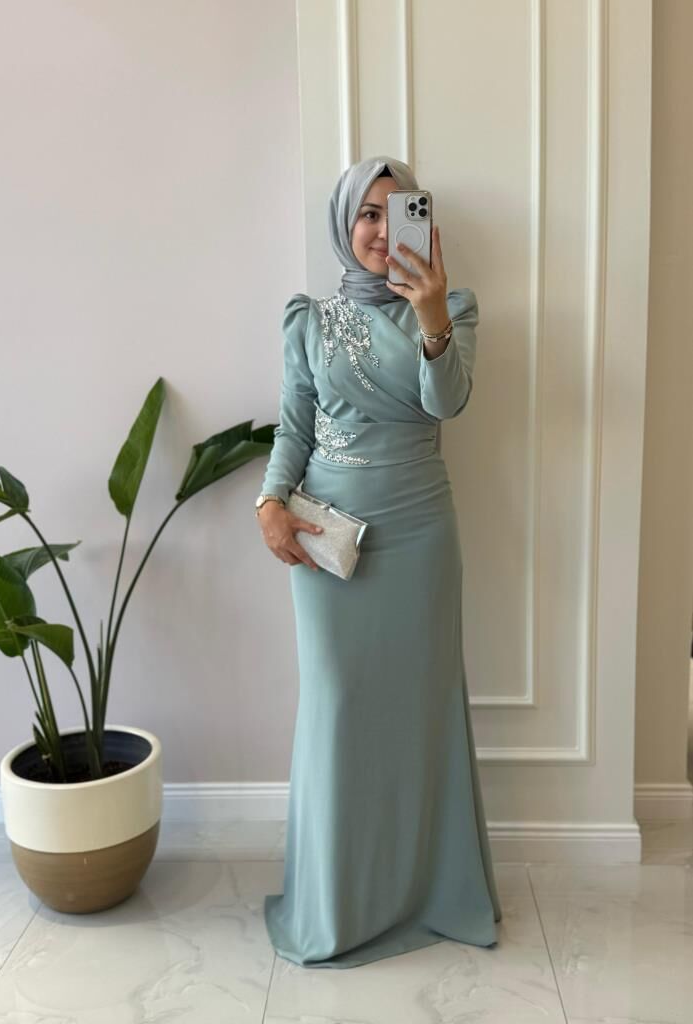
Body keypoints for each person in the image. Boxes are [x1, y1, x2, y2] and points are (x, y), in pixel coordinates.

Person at [255, 155, 502, 969]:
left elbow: (446, 402)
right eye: (365, 213)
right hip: (328, 541)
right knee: (338, 709)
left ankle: (428, 895)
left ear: (420, 226)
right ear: (342, 224)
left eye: (397, 213)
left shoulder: (452, 307)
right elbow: (293, 425)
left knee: (420, 714)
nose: (378, 229)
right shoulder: (307, 321)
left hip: (421, 535)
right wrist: (268, 501)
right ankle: (337, 905)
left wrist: (429, 315)